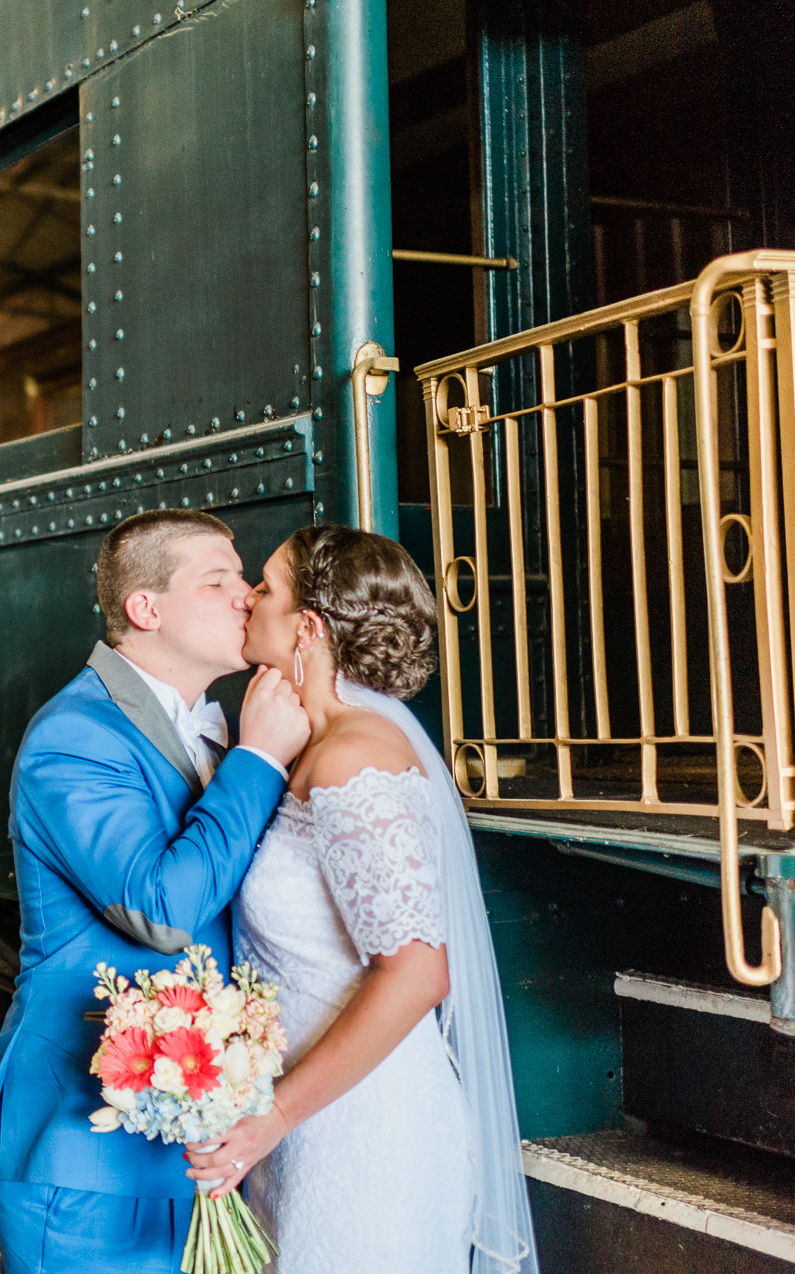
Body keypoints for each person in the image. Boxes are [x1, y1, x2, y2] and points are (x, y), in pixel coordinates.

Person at [0, 509, 314, 1274]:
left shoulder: (212, 729)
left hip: (194, 1133)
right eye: (216, 581)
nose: (246, 596)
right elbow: (160, 910)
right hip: (86, 1150)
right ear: (144, 610)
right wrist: (255, 761)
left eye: (244, 578)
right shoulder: (75, 736)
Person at [184, 526, 537, 1273]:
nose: (249, 597)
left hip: (366, 1134)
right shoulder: (314, 748)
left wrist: (272, 1116)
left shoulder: (353, 759)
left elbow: (416, 972)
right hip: (315, 1121)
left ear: (308, 628)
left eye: (268, 588)